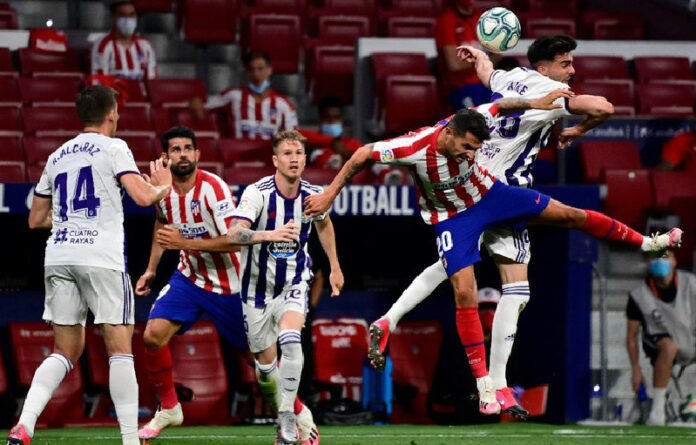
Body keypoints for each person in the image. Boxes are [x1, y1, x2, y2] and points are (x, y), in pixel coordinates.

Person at [304, 100, 682, 417]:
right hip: (453, 217)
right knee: (464, 292)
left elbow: (506, 104)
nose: (470, 154)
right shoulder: (413, 147)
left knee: (570, 214)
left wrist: (540, 102)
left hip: (491, 196)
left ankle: (645, 242)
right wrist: (329, 195)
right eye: (466, 147)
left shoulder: (476, 122)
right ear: (448, 132)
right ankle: (485, 387)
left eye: (475, 149)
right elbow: (361, 154)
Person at [368, 34, 619, 418]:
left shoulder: (510, 77)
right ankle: (498, 386)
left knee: (450, 269)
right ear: (547, 66)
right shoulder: (553, 91)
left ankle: (390, 320)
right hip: (503, 195)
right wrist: (577, 129)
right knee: (518, 289)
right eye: (566, 63)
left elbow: (490, 78)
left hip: (470, 186)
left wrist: (480, 56)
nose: (572, 70)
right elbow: (603, 106)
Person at [6, 85, 172, 445]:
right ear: (112, 113)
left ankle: (24, 425)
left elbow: (35, 219)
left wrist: (71, 219)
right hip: (102, 258)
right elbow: (143, 197)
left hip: (60, 255)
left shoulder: (57, 155)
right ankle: (130, 440)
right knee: (119, 348)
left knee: (64, 351)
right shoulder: (115, 148)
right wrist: (164, 186)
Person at [226, 130, 343, 444]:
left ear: (305, 158)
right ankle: (289, 412)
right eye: (288, 154)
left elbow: (324, 223)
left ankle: (287, 423)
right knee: (265, 372)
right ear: (275, 160)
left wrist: (334, 265)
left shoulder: (313, 193)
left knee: (291, 339)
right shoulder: (257, 193)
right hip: (255, 292)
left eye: (299, 153)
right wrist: (269, 235)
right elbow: (233, 234)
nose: (294, 159)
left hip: (293, 283)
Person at [626, 250, 696, 426]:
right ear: (648, 263)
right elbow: (631, 336)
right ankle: (657, 411)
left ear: (674, 261)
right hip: (657, 341)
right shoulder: (638, 295)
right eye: (654, 258)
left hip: (690, 337)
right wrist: (635, 368)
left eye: (665, 257)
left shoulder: (691, 284)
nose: (660, 261)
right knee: (669, 347)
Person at [191, 50, 297, 140]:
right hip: (237, 158)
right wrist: (197, 104)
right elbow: (201, 103)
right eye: (251, 70)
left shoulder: (284, 104)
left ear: (269, 70)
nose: (256, 74)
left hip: (269, 159)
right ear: (247, 73)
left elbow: (292, 137)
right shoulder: (234, 96)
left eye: (260, 69)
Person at [435, 0, 487, 109]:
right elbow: (454, 64)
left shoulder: (484, 19)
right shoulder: (446, 20)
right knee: (478, 119)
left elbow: (497, 56)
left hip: (487, 83)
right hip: (459, 88)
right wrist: (483, 58)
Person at [91, 1, 157, 80]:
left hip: (139, 92)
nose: (127, 20)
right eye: (122, 15)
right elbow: (99, 81)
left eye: (131, 15)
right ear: (113, 18)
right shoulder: (103, 45)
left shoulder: (145, 46)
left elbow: (152, 81)